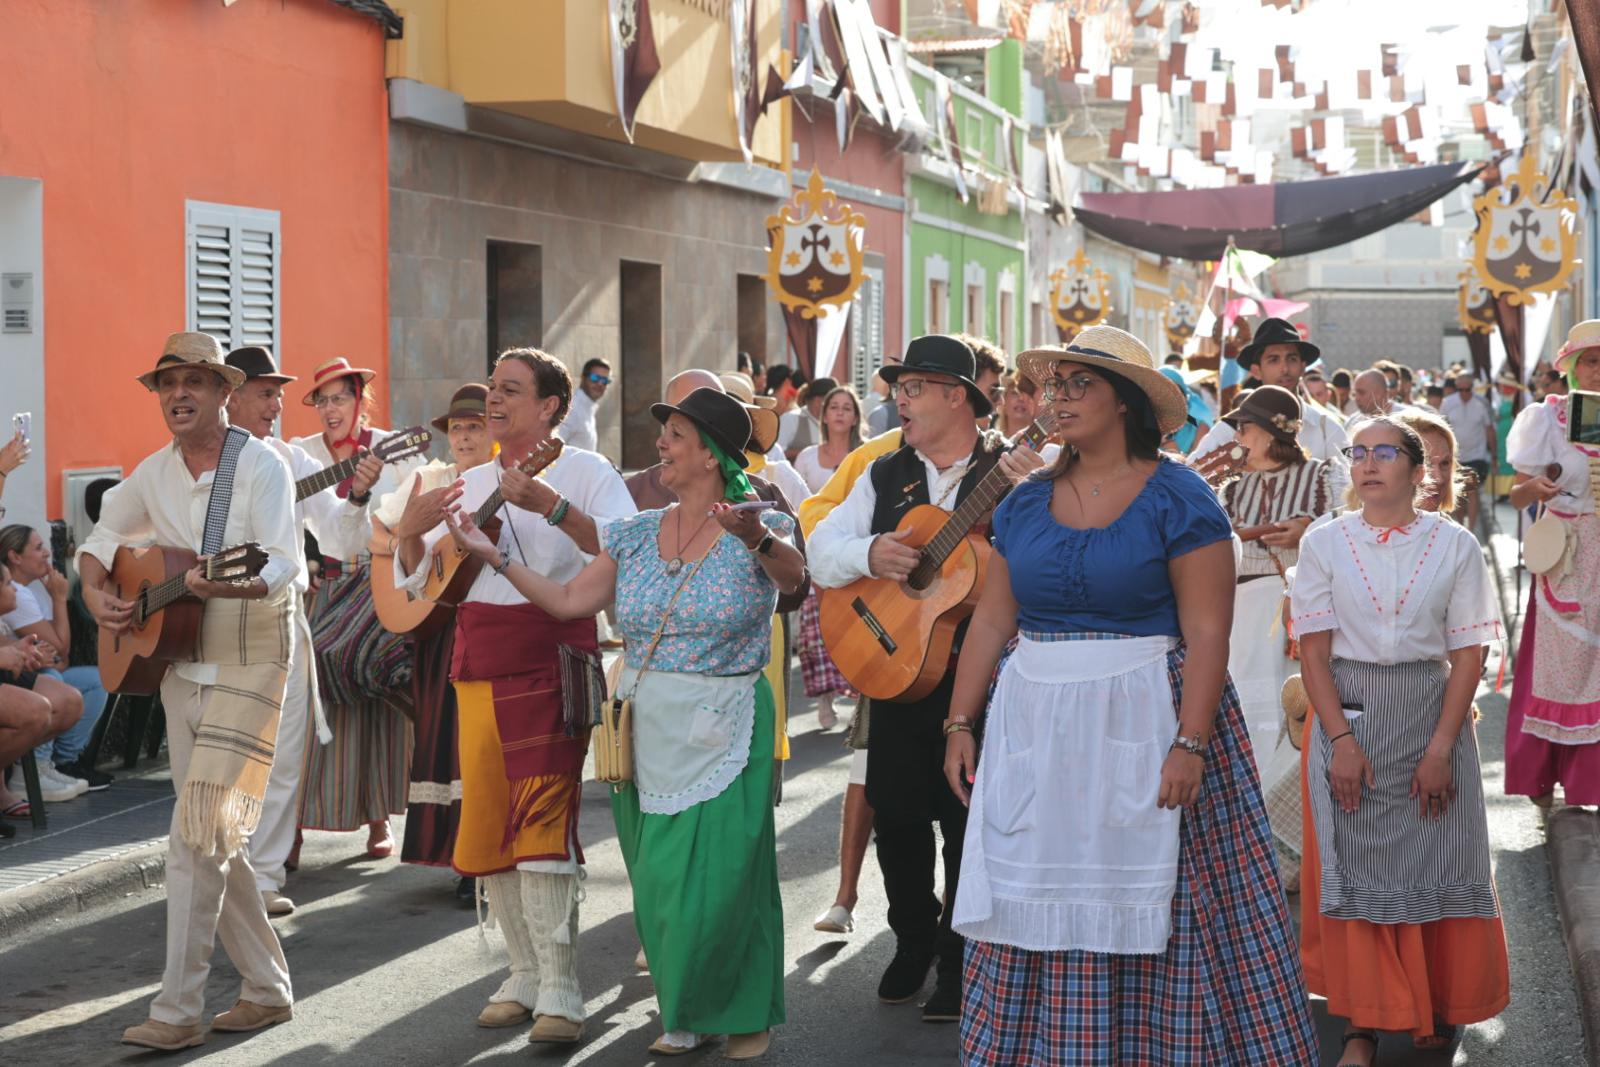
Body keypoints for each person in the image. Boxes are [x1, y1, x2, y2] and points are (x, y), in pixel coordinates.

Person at [944, 326, 1317, 1064]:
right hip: (1038, 724)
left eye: (1078, 384)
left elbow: (1208, 632)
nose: (1058, 398)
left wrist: (1191, 741)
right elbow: (992, 617)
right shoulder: (1024, 503)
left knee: (1172, 905)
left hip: (1153, 714)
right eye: (1054, 385)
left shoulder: (1181, 496)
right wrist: (960, 719)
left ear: (1125, 401)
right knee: (1038, 891)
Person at [442, 387, 802, 1059]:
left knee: (727, 879)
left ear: (713, 454)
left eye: (676, 435)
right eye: (663, 432)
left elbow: (794, 579)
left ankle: (745, 1007)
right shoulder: (639, 531)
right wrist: (495, 558)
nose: (661, 445)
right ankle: (686, 1006)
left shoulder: (761, 518)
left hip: (724, 717)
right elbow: (571, 596)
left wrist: (757, 537)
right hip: (640, 724)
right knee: (661, 880)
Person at [392, 347, 636, 1045]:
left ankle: (563, 983)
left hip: (550, 653)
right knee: (491, 823)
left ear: (552, 407)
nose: (493, 401)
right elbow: (423, 580)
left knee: (542, 817)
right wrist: (407, 538)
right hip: (477, 658)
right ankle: (523, 973)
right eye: (492, 388)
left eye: (510, 390)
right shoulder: (466, 480)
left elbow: (622, 552)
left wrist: (553, 507)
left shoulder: (586, 470)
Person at [77, 332, 300, 1051]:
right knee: (214, 841)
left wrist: (228, 580)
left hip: (252, 659)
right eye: (168, 384)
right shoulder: (153, 471)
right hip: (181, 668)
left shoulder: (260, 467)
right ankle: (266, 989)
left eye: (194, 383)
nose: (178, 395)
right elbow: (103, 531)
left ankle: (176, 1009)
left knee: (191, 839)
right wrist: (95, 593)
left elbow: (283, 561)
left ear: (223, 393)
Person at [808, 335, 1039, 1023]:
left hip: (989, 672)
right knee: (897, 811)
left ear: (956, 396)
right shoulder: (884, 473)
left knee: (970, 820)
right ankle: (912, 935)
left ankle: (960, 959)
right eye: (898, 388)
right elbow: (821, 552)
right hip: (897, 663)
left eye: (912, 387)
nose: (898, 400)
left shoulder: (1016, 468)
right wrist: (870, 550)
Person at [1292, 417, 1509, 1065]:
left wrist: (1441, 748)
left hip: (1430, 711)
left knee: (1435, 858)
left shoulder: (1455, 545)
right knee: (1355, 871)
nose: (1368, 462)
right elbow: (1313, 651)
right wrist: (1339, 741)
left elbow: (1469, 654)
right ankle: (1360, 1026)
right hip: (1347, 712)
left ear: (1421, 471)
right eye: (1358, 452)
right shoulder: (1324, 542)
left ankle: (1430, 1004)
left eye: (1384, 452)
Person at [224, 345, 372, 917]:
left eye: (280, 393)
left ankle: (262, 877)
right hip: (214, 629)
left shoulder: (288, 460)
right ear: (231, 397)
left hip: (283, 623)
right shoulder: (198, 461)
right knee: (227, 758)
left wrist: (357, 492)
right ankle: (224, 869)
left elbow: (339, 539)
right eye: (267, 392)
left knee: (283, 757)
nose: (278, 403)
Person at [291, 357, 425, 862]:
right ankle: (293, 829)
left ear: (359, 401)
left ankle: (377, 819)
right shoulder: (300, 453)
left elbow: (411, 512)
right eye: (322, 400)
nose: (330, 409)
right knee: (307, 705)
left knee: (373, 702)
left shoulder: (390, 449)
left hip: (374, 583)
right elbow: (286, 513)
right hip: (318, 585)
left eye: (339, 398)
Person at [1213, 386, 1336, 892]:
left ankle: (1293, 851)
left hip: (1293, 610)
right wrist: (1254, 532)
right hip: (1242, 612)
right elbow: (1216, 540)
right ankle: (1248, 847)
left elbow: (1340, 529)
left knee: (1291, 718)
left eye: (1245, 427)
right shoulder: (1229, 486)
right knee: (1247, 717)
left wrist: (1306, 530)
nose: (1238, 436)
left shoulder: (1321, 476)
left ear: (1274, 431)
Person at [376, 383, 493, 902]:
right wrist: (409, 535)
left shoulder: (499, 481)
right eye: (458, 428)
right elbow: (376, 534)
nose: (465, 436)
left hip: (484, 622)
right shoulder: (429, 479)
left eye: (475, 426)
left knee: (479, 741)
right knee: (444, 738)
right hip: (438, 623)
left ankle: (484, 857)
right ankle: (458, 855)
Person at [1503, 321, 1600, 810]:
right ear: (1571, 368)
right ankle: (1544, 773)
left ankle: (1591, 781)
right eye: (1591, 361)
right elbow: (1516, 492)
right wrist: (1535, 491)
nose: (1599, 371)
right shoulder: (1548, 418)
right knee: (1560, 667)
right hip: (1565, 554)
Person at [0, 525, 111, 791]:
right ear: (15, 556)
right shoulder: (19, 592)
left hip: (27, 671)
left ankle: (62, 762)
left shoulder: (29, 589)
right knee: (53, 680)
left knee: (96, 680)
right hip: (23, 674)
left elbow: (60, 655)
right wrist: (60, 599)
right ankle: (34, 768)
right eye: (38, 548)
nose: (47, 553)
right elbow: (61, 651)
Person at [1192, 317, 1350, 501]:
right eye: (1273, 360)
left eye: (1291, 359)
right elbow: (1192, 480)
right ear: (1256, 371)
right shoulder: (1230, 428)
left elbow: (1348, 495)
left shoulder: (1326, 429)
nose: (1284, 368)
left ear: (1302, 367)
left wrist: (1309, 524)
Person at [793, 387, 864, 730]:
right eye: (833, 407)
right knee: (817, 629)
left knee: (857, 630)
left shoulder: (866, 454)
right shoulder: (807, 456)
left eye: (846, 407)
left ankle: (859, 702)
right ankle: (824, 699)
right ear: (824, 416)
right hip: (815, 553)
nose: (839, 413)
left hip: (854, 554)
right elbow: (797, 505)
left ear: (855, 416)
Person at [1440, 373, 1496, 533]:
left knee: (1472, 490)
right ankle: (1460, 524)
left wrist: (1494, 455)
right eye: (1461, 389)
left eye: (1468, 389)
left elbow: (1489, 429)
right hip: (1456, 456)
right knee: (1459, 493)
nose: (1464, 393)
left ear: (1473, 388)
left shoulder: (1482, 403)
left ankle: (1470, 529)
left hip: (1477, 456)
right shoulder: (1448, 403)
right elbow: (1441, 428)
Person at [557, 357, 609, 454]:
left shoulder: (588, 408)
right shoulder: (572, 408)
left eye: (604, 380)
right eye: (595, 378)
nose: (600, 383)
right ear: (583, 377)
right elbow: (555, 449)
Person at [780, 375, 835, 462]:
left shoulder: (836, 422)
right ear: (818, 400)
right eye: (834, 403)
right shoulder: (791, 419)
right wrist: (811, 453)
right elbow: (776, 454)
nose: (837, 408)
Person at [994, 371, 1039, 439]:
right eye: (1015, 393)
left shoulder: (1046, 446)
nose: (1021, 399)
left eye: (1028, 394)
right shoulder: (990, 441)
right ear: (1003, 400)